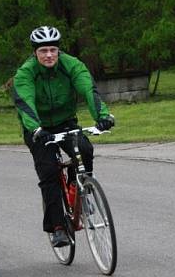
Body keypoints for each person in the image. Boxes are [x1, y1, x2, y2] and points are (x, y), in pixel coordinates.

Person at [12, 25, 115, 248]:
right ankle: (58, 227)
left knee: (85, 150)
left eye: (52, 50)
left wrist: (103, 117)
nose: (49, 55)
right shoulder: (25, 73)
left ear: (58, 51)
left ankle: (76, 187)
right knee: (48, 172)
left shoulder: (72, 65)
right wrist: (36, 129)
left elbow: (88, 89)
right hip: (38, 128)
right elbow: (24, 102)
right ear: (35, 53)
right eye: (43, 51)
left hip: (66, 122)